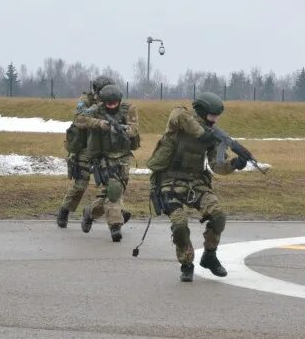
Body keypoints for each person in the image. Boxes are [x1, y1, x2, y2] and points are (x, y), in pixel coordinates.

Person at [146, 92, 247, 282]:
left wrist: (234, 164)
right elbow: (177, 115)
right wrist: (203, 134)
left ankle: (210, 255)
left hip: (195, 183)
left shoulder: (214, 136)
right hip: (169, 182)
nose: (215, 120)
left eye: (217, 116)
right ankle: (186, 263)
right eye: (211, 116)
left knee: (218, 216)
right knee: (180, 224)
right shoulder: (181, 118)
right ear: (201, 112)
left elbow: (218, 166)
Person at [79, 84, 139, 241]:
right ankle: (115, 226)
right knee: (113, 190)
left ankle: (90, 213)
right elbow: (81, 119)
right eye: (109, 103)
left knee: (115, 191)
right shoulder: (96, 109)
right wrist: (100, 124)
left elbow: (134, 129)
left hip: (124, 157)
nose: (112, 106)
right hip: (104, 157)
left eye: (115, 103)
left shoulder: (129, 109)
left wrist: (121, 129)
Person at [56, 75, 114, 228]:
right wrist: (96, 110)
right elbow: (79, 118)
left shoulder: (112, 102)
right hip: (85, 148)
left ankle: (112, 217)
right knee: (81, 184)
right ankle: (64, 210)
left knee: (112, 184)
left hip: (104, 149)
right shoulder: (86, 101)